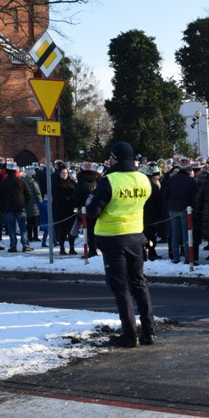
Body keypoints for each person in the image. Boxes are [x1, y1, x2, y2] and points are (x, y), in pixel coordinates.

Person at [86, 141, 156, 348]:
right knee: (140, 284)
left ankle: (129, 335)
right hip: (136, 236)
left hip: (113, 237)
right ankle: (149, 332)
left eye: (110, 157)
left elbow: (92, 210)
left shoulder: (110, 180)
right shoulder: (143, 179)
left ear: (115, 158)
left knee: (121, 288)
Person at [162, 160, 197, 264]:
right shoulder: (190, 181)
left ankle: (175, 258)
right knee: (186, 234)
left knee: (175, 234)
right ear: (188, 170)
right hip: (186, 209)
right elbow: (194, 196)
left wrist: (169, 204)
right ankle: (188, 258)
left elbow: (164, 194)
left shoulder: (171, 179)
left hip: (172, 209)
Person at [0, 162, 33, 253]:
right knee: (23, 228)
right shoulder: (22, 181)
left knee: (11, 228)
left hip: (8, 208)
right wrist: (24, 204)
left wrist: (3, 207)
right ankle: (25, 245)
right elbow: (29, 195)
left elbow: (0, 197)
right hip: (21, 207)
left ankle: (13, 245)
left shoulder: (3, 183)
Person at [52, 165, 78, 255]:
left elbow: (76, 192)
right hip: (60, 210)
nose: (65, 175)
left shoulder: (72, 182)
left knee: (71, 230)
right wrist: (68, 198)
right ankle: (62, 248)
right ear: (59, 174)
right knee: (61, 230)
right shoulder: (55, 183)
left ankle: (72, 247)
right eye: (63, 173)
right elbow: (57, 196)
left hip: (70, 210)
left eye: (66, 173)